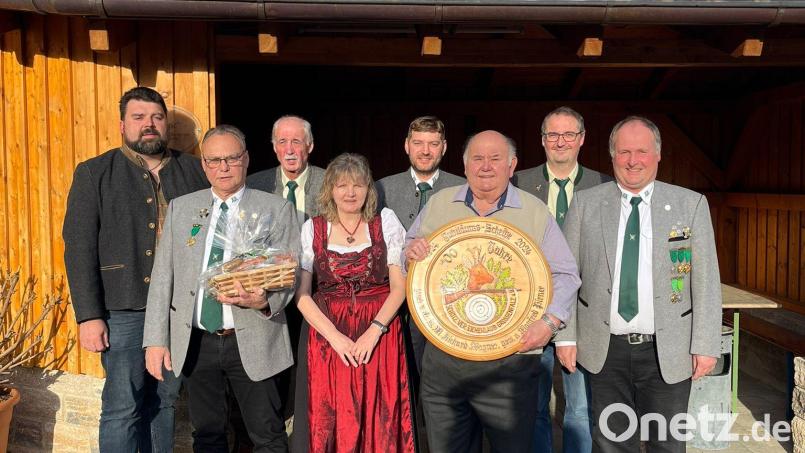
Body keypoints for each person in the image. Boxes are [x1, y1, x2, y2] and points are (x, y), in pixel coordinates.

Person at [404, 130, 581, 452]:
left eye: (495, 159)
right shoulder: (441, 203)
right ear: (464, 164)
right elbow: (408, 252)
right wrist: (410, 251)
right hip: (445, 363)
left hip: (511, 364)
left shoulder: (534, 210)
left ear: (512, 165)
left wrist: (551, 322)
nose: (486, 166)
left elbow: (566, 274)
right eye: (478, 158)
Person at [558, 116, 721, 453]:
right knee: (611, 442)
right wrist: (566, 336)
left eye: (642, 152)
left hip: (668, 349)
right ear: (612, 156)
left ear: (658, 155)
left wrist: (706, 343)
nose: (633, 161)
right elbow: (567, 276)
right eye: (624, 152)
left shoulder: (689, 205)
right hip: (605, 349)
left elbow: (706, 280)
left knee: (667, 442)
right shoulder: (587, 203)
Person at [63, 87, 208, 452]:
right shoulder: (95, 172)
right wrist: (89, 316)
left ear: (165, 125)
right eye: (139, 118)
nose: (149, 125)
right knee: (122, 407)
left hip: (178, 311)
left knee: (164, 402)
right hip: (123, 309)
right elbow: (79, 247)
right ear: (122, 124)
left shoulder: (194, 170)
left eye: (156, 118)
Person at [142, 125, 299, 452]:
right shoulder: (182, 208)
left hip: (255, 336)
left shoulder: (276, 209)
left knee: (267, 435)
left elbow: (289, 273)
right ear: (204, 165)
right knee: (208, 435)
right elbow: (162, 278)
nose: (222, 167)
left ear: (246, 159)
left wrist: (264, 301)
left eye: (230, 158)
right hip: (198, 342)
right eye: (214, 160)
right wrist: (156, 340)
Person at [293, 153, 415, 453]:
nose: (350, 193)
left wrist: (374, 331)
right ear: (330, 190)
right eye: (342, 185)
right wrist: (335, 338)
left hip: (379, 331)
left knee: (381, 411)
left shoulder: (384, 222)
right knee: (330, 414)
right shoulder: (314, 228)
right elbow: (302, 296)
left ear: (368, 189)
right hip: (328, 336)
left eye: (358, 185)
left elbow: (399, 288)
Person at [512, 106, 611, 453]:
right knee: (534, 407)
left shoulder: (603, 185)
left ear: (582, 139)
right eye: (553, 135)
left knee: (579, 410)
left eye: (569, 134)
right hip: (531, 310)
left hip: (583, 313)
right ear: (542, 140)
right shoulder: (519, 183)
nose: (561, 142)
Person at [376, 115, 465, 375]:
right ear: (407, 145)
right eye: (418, 143)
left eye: (433, 144)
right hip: (393, 303)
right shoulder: (382, 188)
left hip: (444, 303)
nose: (425, 151)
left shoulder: (462, 188)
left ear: (444, 147)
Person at [248, 115, 325, 224]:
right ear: (275, 147)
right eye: (282, 142)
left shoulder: (329, 182)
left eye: (296, 141)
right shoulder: (255, 186)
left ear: (310, 146)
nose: (289, 150)